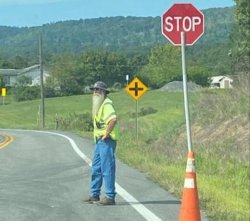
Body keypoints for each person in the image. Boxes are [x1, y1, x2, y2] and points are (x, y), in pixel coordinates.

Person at [84, 81, 118, 205]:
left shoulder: (107, 104)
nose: (95, 92)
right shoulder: (98, 105)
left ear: (103, 92)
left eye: (98, 90)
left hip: (106, 141)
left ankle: (110, 196)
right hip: (99, 141)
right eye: (94, 90)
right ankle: (94, 194)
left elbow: (113, 120)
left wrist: (106, 134)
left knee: (107, 168)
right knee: (96, 168)